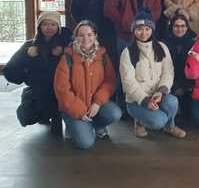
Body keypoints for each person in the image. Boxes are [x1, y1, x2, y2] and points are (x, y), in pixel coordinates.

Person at [54, 21, 121, 149]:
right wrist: (79, 111)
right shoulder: (67, 57)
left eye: (90, 34)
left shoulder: (103, 56)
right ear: (75, 37)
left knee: (115, 113)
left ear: (95, 36)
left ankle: (95, 126)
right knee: (86, 143)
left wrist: (98, 102)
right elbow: (62, 90)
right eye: (81, 35)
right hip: (73, 107)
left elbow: (110, 81)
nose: (86, 38)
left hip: (95, 105)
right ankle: (74, 126)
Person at [119, 8, 186, 138]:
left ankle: (170, 126)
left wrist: (161, 91)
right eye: (139, 29)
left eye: (147, 29)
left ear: (152, 30)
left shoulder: (161, 47)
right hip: (137, 100)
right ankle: (139, 121)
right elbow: (128, 83)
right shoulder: (127, 52)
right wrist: (145, 100)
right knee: (158, 121)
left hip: (157, 95)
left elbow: (168, 72)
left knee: (172, 102)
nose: (143, 33)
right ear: (134, 30)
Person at [3, 12, 72, 135]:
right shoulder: (29, 46)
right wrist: (28, 65)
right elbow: (10, 70)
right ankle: (43, 115)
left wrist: (63, 52)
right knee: (26, 115)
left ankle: (56, 116)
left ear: (58, 27)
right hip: (38, 89)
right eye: (45, 24)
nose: (49, 27)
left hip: (61, 90)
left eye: (53, 24)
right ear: (39, 27)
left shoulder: (66, 45)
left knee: (57, 104)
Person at [162, 11, 196, 119]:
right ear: (171, 27)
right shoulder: (163, 43)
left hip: (188, 84)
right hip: (168, 83)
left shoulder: (194, 44)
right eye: (176, 26)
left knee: (192, 116)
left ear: (187, 27)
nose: (179, 29)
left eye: (183, 26)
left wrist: (184, 86)